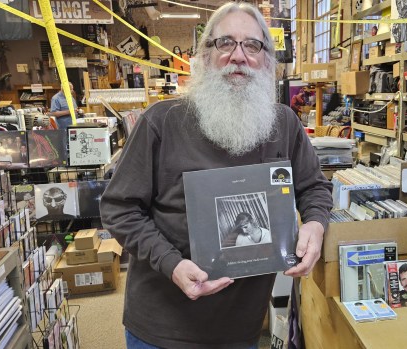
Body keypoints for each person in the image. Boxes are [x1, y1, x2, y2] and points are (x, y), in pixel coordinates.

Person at [99, 2, 333, 348]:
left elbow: (315, 187)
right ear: (204, 55)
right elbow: (119, 209)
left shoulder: (284, 124)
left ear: (267, 60)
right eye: (225, 42)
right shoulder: (161, 122)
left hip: (241, 328)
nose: (238, 56)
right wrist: (172, 264)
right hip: (163, 326)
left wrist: (315, 223)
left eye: (252, 45)